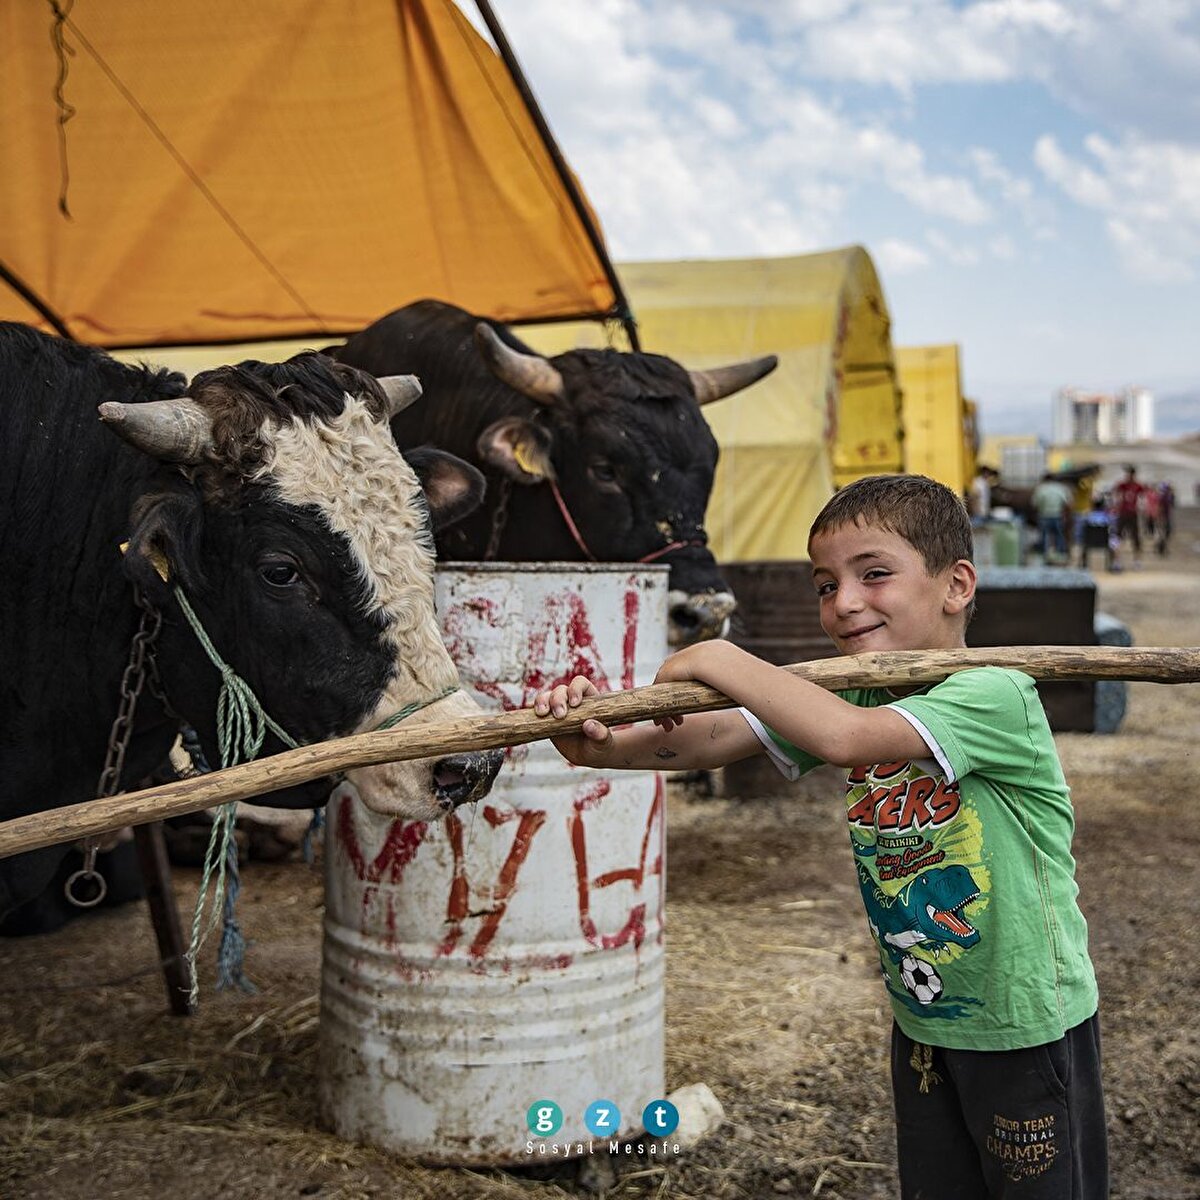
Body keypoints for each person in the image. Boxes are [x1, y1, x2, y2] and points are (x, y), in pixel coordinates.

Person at [534, 474, 1107, 1200]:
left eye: (874, 575)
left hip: (1025, 1025)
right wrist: (597, 741)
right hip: (925, 1018)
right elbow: (712, 738)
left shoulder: (993, 693)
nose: (844, 603)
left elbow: (844, 738)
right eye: (825, 585)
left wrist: (718, 656)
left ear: (956, 585)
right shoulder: (857, 689)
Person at [1029, 473, 1073, 562]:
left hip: (1044, 516)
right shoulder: (1060, 488)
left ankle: (1044, 556)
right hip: (1057, 516)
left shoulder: (1040, 489)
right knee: (1059, 536)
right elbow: (1067, 502)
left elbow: (1034, 504)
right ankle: (1060, 556)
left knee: (1044, 536)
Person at [1112, 465, 1144, 567]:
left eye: (1129, 473)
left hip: (1133, 514)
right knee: (1118, 537)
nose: (1127, 476)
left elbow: (1143, 498)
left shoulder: (1138, 486)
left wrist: (1141, 508)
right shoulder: (1122, 485)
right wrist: (1116, 506)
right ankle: (1116, 560)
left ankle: (1137, 560)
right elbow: (1115, 493)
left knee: (1136, 538)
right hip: (1123, 513)